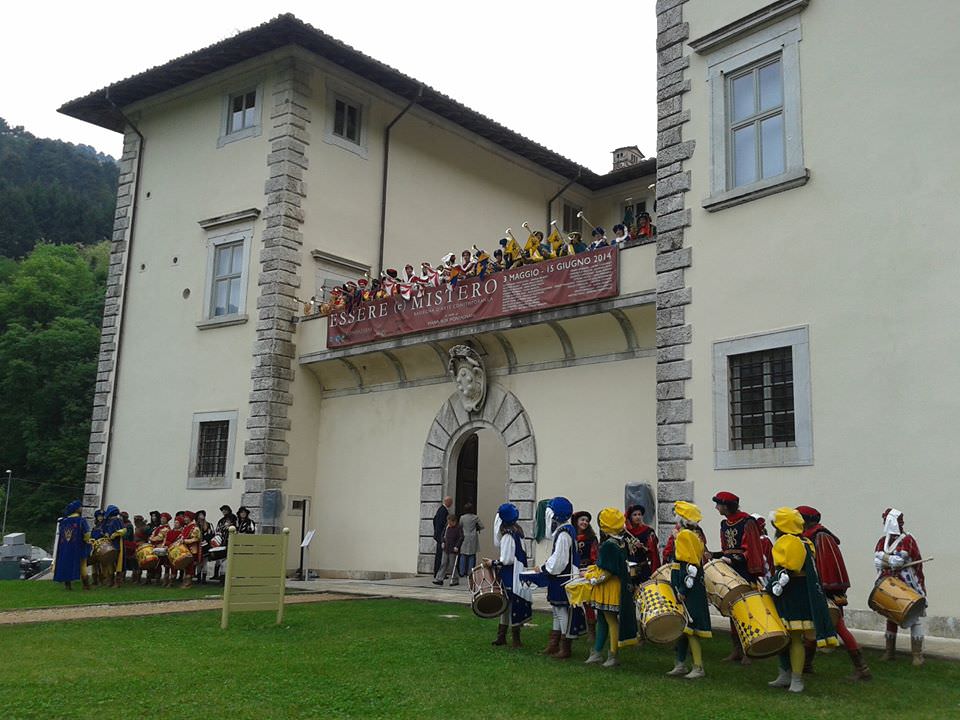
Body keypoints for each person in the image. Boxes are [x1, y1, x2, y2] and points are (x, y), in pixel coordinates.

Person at [767, 507, 838, 693]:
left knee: (796, 638)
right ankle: (784, 673)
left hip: (796, 592)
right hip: (784, 592)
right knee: (783, 636)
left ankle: (797, 679)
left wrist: (781, 580)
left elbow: (791, 567)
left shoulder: (796, 542)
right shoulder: (798, 541)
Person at [798, 506, 871, 680]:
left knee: (839, 626)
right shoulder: (810, 536)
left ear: (805, 520)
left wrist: (823, 588)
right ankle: (806, 665)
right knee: (812, 624)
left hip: (826, 590)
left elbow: (828, 566)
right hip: (816, 588)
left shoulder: (821, 537)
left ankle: (862, 668)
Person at [712, 491, 765, 663]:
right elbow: (727, 549)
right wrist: (713, 555)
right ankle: (737, 650)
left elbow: (750, 549)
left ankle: (749, 650)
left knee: (746, 612)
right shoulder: (724, 523)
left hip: (744, 571)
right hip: (731, 570)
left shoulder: (747, 522)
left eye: (718, 504)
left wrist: (733, 559)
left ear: (726, 506)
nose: (716, 508)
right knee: (733, 611)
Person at [584, 507, 638, 668]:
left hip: (609, 586)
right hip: (613, 584)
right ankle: (597, 651)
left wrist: (594, 580)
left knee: (611, 620)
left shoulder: (609, 544)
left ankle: (613, 655)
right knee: (602, 618)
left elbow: (608, 570)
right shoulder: (621, 541)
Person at [534, 497, 585, 660]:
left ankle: (565, 647)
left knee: (562, 611)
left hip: (562, 577)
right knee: (556, 610)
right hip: (560, 576)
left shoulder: (564, 533)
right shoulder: (565, 530)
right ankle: (554, 644)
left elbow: (560, 560)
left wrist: (544, 568)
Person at [666, 501, 712, 679]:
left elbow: (689, 565)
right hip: (687, 581)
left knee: (691, 629)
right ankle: (680, 664)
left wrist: (683, 588)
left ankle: (698, 667)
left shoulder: (685, 536)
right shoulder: (694, 534)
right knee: (684, 627)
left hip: (688, 585)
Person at [874, 507, 926, 665]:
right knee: (891, 617)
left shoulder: (907, 540)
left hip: (907, 582)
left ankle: (917, 655)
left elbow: (899, 562)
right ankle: (889, 652)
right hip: (889, 581)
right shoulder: (883, 541)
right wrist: (890, 560)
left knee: (915, 616)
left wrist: (885, 559)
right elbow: (877, 560)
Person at [486, 503, 533, 648]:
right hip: (518, 572)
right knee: (507, 605)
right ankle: (503, 637)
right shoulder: (518, 532)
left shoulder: (507, 535)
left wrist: (492, 562)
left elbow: (506, 560)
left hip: (510, 573)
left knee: (510, 606)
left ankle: (514, 639)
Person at [53, 500, 91, 591]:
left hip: (65, 547)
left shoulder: (63, 521)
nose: (81, 508)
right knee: (83, 564)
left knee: (66, 564)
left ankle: (67, 585)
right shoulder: (81, 521)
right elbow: (87, 534)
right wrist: (87, 541)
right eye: (80, 507)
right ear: (77, 509)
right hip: (79, 546)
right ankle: (86, 585)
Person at [572, 511, 599, 638]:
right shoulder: (570, 536)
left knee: (587, 602)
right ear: (576, 521)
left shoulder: (591, 538)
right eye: (582, 520)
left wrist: (590, 571)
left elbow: (595, 556)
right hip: (573, 571)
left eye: (587, 521)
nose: (584, 522)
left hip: (587, 572)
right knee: (574, 601)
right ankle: (574, 628)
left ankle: (592, 630)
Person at [624, 504, 660, 588]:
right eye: (635, 515)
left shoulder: (648, 531)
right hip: (629, 569)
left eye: (639, 514)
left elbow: (652, 550)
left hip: (643, 568)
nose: (638, 517)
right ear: (630, 517)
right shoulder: (625, 533)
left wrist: (644, 547)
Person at [433, 515, 463, 586]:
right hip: (446, 548)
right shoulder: (447, 527)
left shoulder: (458, 528)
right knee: (443, 563)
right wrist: (443, 541)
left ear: (454, 521)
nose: (449, 524)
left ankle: (455, 579)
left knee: (452, 565)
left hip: (453, 549)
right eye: (448, 522)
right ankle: (439, 579)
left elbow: (461, 538)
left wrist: (457, 546)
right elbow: (443, 535)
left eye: (450, 522)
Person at [102, 505, 127, 587]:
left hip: (117, 543)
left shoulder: (118, 520)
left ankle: (117, 582)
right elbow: (104, 530)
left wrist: (115, 534)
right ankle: (110, 580)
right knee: (110, 561)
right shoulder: (108, 521)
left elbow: (123, 530)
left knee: (118, 562)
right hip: (110, 543)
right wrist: (106, 534)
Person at [458, 502, 483, 581]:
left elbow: (460, 526)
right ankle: (470, 572)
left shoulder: (462, 517)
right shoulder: (475, 517)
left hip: (464, 536)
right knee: (471, 555)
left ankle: (462, 572)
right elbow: (481, 526)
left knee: (463, 554)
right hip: (473, 537)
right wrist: (476, 528)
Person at [213, 505, 236, 581]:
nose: (224, 512)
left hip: (229, 541)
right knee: (219, 559)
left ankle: (224, 577)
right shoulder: (221, 521)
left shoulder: (233, 518)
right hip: (221, 542)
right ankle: (218, 575)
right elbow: (218, 530)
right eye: (223, 510)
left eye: (225, 510)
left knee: (226, 560)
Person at [179, 510, 201, 588]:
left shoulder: (195, 528)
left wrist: (185, 541)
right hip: (185, 549)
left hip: (192, 549)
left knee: (190, 566)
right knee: (186, 566)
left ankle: (189, 582)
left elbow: (196, 539)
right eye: (184, 517)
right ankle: (186, 581)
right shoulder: (186, 527)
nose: (185, 519)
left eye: (186, 517)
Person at [432, 496, 453, 576]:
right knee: (440, 556)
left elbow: (434, 520)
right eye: (451, 502)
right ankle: (438, 573)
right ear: (447, 502)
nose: (451, 504)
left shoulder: (442, 510)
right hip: (440, 537)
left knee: (440, 555)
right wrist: (441, 535)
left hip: (439, 536)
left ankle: (439, 573)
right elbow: (440, 524)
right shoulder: (443, 511)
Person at [195, 510, 215, 584]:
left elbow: (212, 534)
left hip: (206, 546)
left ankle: (204, 578)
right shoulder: (196, 526)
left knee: (204, 562)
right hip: (198, 546)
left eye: (202, 515)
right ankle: (198, 577)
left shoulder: (209, 525)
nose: (201, 516)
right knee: (198, 563)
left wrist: (206, 540)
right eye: (199, 515)